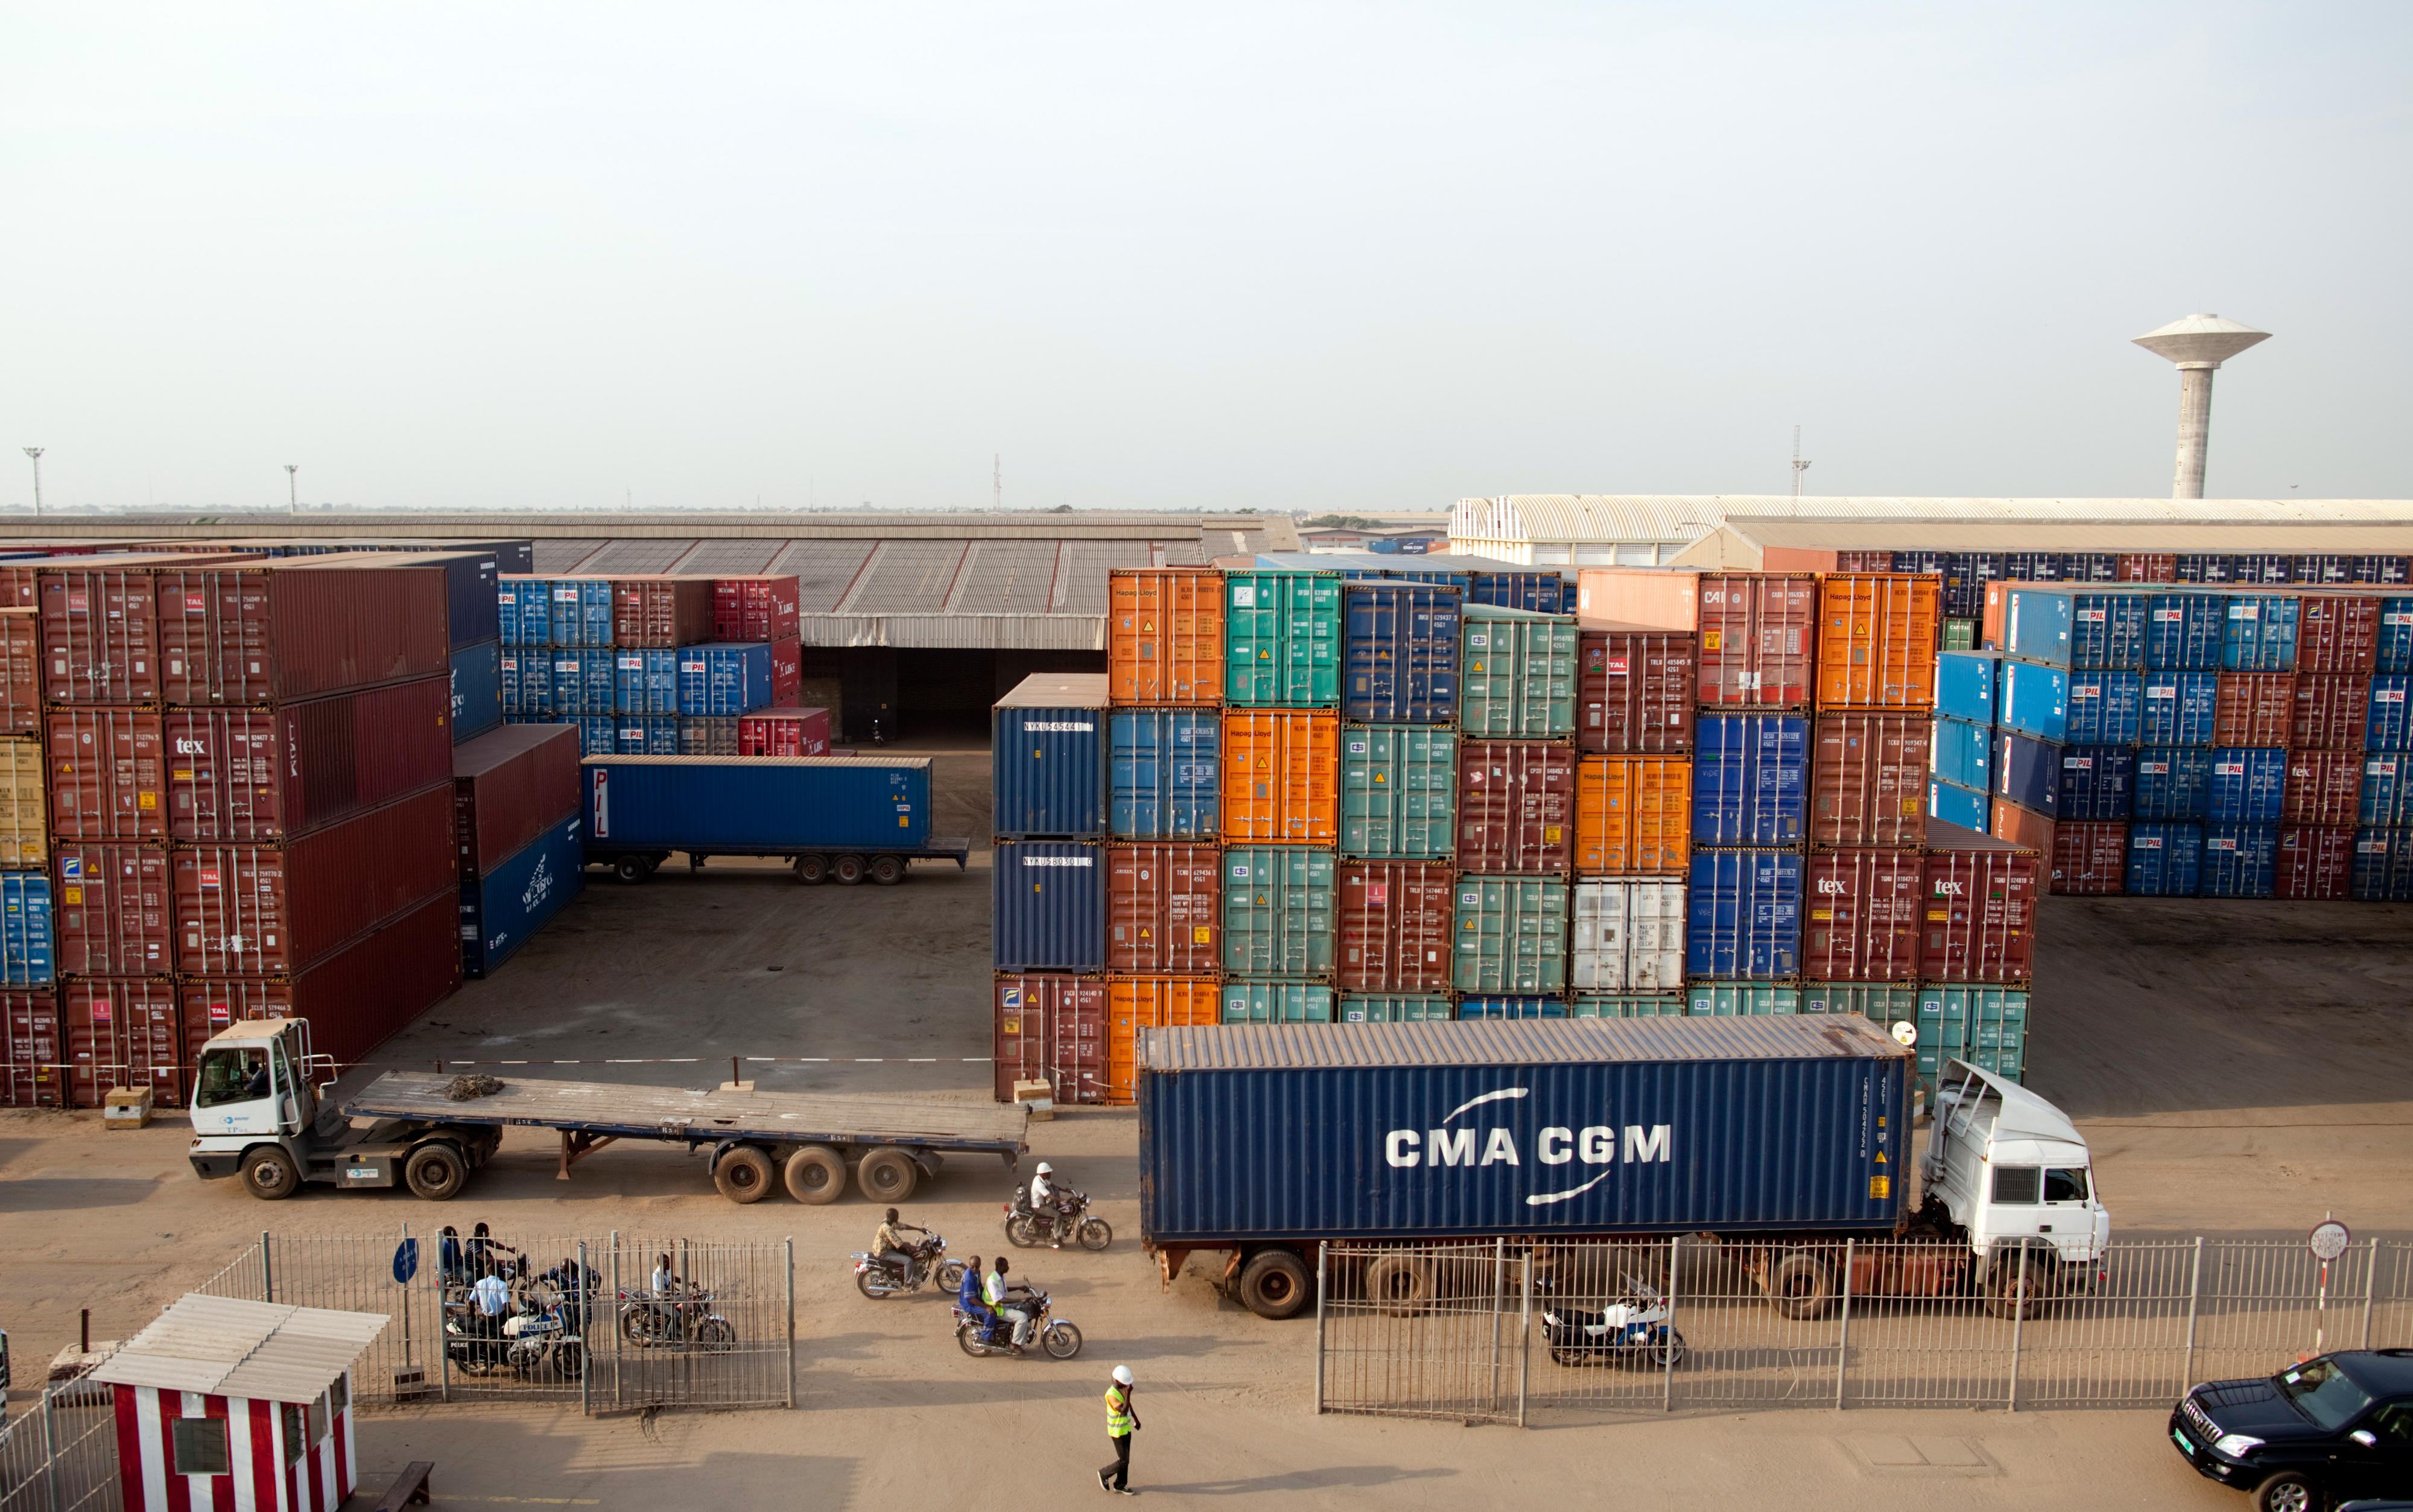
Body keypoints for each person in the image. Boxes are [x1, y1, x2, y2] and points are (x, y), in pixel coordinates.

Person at [1099, 1365, 1140, 1495]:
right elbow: (1123, 1411)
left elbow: (1129, 1406)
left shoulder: (1122, 1390)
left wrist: (1136, 1420)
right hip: (1117, 1432)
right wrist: (1128, 1393)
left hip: (1126, 1429)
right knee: (1124, 1460)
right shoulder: (1111, 1395)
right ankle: (1104, 1474)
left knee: (1126, 1458)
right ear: (1118, 1381)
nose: (1128, 1386)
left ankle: (1120, 1485)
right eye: (1125, 1384)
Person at [985, 1256, 1032, 1352]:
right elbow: (999, 1300)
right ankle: (1014, 1344)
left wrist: (1019, 1288)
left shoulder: (1000, 1276)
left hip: (1004, 1306)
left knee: (1027, 1310)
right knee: (1022, 1317)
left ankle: (1021, 1338)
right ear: (1000, 1267)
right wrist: (1020, 1300)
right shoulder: (992, 1280)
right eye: (1006, 1266)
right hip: (998, 1309)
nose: (1008, 1267)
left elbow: (1004, 1289)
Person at [870, 1207, 928, 1279]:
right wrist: (916, 1248)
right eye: (896, 1216)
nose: (898, 1217)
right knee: (908, 1261)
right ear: (891, 1217)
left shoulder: (889, 1222)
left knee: (908, 1249)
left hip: (887, 1248)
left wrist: (919, 1229)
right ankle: (908, 1284)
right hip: (883, 1253)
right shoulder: (887, 1228)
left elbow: (904, 1226)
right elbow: (899, 1244)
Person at [1030, 1162, 1073, 1247]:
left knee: (1058, 1208)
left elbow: (1052, 1185)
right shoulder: (1039, 1184)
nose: (1050, 1174)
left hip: (1043, 1203)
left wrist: (1064, 1190)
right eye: (1049, 1173)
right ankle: (1057, 1237)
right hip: (1039, 1207)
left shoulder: (1041, 1179)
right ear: (1044, 1174)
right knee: (1058, 1215)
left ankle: (1058, 1231)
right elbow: (1050, 1196)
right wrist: (1063, 1200)